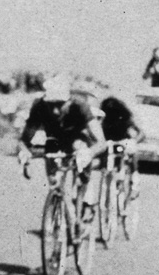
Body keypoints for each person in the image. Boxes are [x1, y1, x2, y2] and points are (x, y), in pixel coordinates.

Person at [17, 77, 107, 218]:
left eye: (60, 105)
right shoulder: (39, 106)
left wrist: (89, 153)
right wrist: (24, 153)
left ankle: (84, 202)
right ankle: (60, 207)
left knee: (80, 154)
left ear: (69, 101)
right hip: (55, 140)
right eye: (51, 105)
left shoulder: (80, 106)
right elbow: (24, 140)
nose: (55, 110)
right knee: (55, 182)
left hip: (79, 138)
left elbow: (101, 142)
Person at [99, 95, 144, 198]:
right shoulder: (103, 119)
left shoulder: (125, 118)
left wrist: (134, 141)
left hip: (123, 142)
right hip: (109, 144)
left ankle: (134, 183)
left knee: (132, 153)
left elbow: (141, 133)